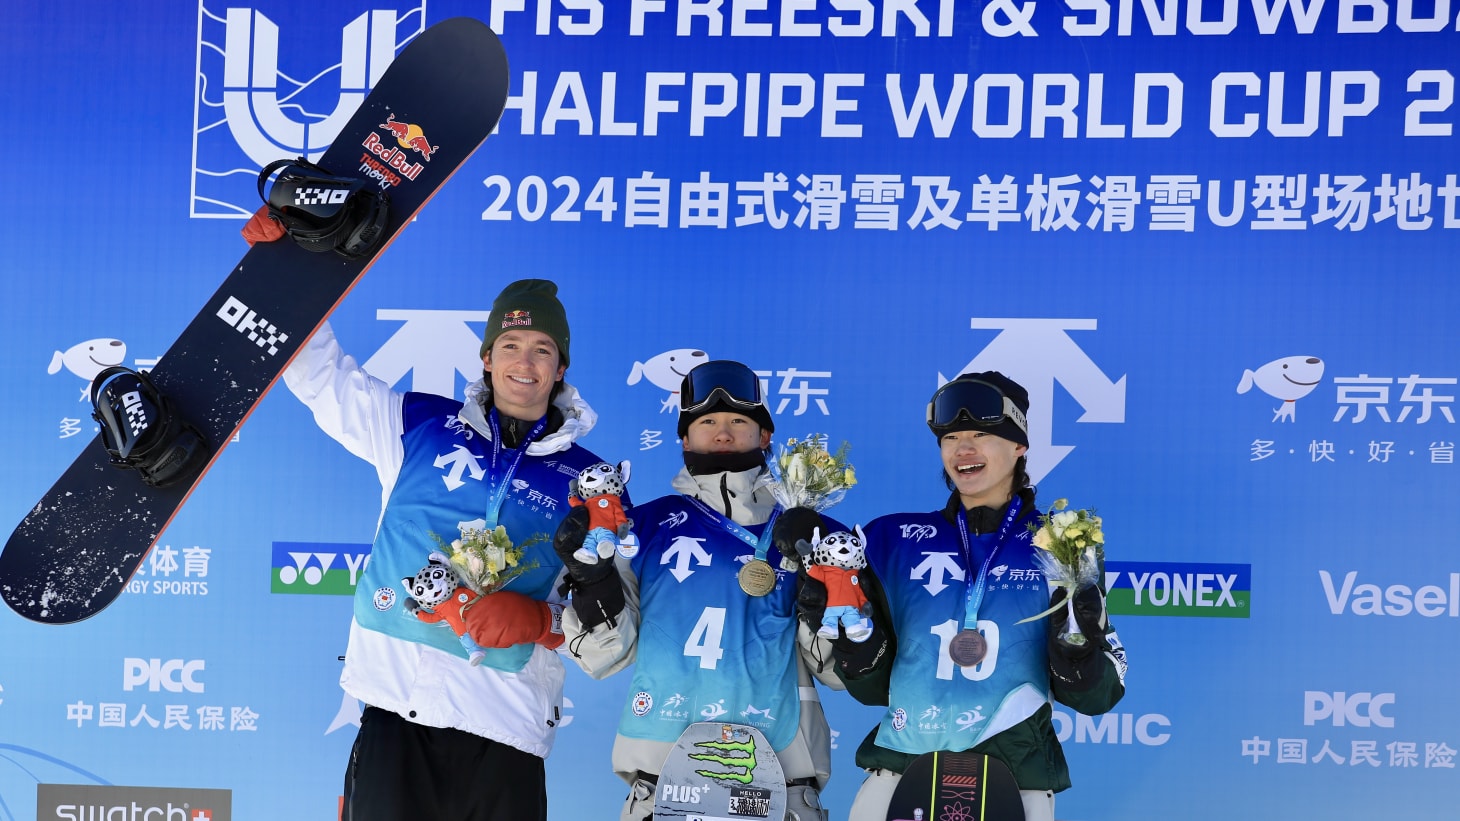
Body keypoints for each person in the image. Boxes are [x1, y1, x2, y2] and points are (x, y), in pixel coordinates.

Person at [283, 278, 614, 821]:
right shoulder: (418, 425)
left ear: (560, 369)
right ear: (486, 358)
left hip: (505, 729)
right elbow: (322, 378)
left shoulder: (590, 484)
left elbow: (610, 625)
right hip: (396, 715)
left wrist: (538, 620)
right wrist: (285, 276)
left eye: (542, 350)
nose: (523, 363)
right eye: (510, 346)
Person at [809, 371, 1129, 821]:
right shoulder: (890, 539)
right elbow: (870, 686)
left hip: (1017, 780)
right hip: (898, 773)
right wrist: (854, 644)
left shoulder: (1061, 543)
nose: (963, 449)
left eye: (981, 434)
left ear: (1019, 445)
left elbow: (1098, 698)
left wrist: (1077, 654)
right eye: (951, 437)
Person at [554, 359, 845, 821]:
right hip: (662, 786)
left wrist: (817, 575)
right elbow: (603, 655)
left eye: (738, 421)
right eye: (706, 422)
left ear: (765, 436)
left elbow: (837, 670)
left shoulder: (814, 532)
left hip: (780, 786)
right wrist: (593, 583)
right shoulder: (642, 527)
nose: (723, 433)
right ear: (684, 439)